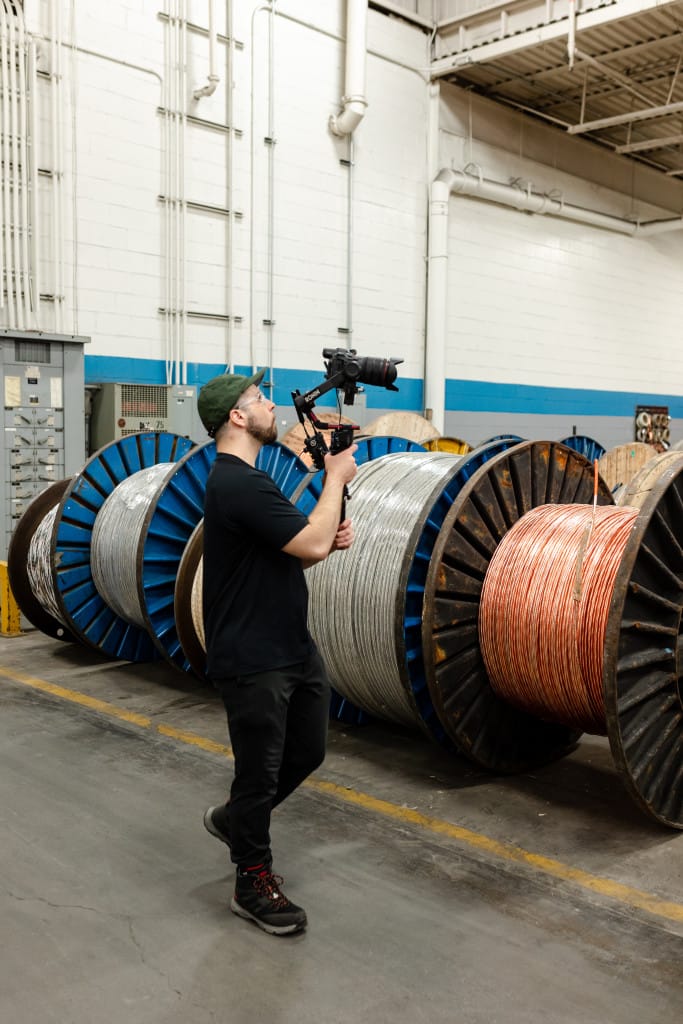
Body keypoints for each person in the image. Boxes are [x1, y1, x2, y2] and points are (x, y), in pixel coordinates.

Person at [197, 369, 357, 936]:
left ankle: (233, 820)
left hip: (291, 645)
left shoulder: (252, 483)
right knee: (259, 774)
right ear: (237, 418)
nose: (269, 405)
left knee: (306, 752)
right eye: (258, 399)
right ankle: (252, 881)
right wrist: (334, 478)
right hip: (252, 655)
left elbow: (304, 548)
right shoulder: (235, 481)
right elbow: (310, 540)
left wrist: (321, 533)